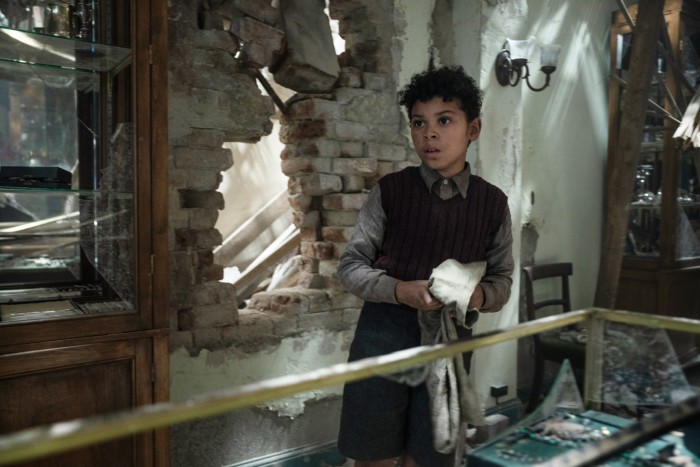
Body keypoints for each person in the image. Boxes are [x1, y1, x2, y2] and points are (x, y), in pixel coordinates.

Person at [335, 65, 514, 467]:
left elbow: (502, 279)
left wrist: (477, 294)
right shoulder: (391, 192)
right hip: (382, 342)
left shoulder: (492, 203)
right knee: (372, 457)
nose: (429, 133)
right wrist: (401, 291)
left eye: (444, 120)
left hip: (448, 350)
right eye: (419, 123)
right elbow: (350, 267)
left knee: (429, 458)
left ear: (474, 129)